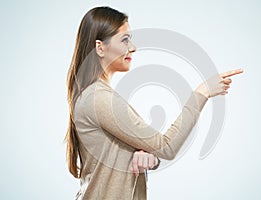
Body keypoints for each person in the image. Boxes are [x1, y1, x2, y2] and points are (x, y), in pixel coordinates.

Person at [65, 6, 243, 200]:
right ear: (100, 48)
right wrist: (202, 92)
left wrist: (148, 156)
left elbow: (134, 151)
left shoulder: (96, 94)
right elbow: (166, 146)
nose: (132, 47)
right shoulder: (98, 98)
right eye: (124, 40)